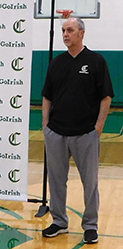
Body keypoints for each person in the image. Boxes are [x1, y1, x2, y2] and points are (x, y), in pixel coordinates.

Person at [41, 17, 113, 244]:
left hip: (86, 133)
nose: (65, 34)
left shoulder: (96, 61)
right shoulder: (56, 63)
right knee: (56, 180)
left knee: (89, 183)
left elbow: (106, 96)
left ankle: (90, 225)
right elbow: (47, 96)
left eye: (70, 30)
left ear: (81, 33)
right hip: (56, 133)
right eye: (63, 30)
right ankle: (59, 222)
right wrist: (45, 126)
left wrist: (98, 127)